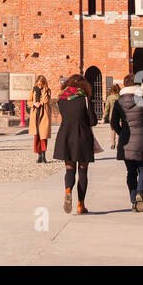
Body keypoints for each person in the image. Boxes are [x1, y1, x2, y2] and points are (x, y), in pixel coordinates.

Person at [111, 75, 143, 211]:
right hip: (141, 140)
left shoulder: (118, 102)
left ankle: (134, 201)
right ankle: (140, 193)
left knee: (131, 172)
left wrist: (122, 133)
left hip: (125, 142)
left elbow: (113, 123)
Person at [53, 75, 97, 214]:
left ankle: (67, 190)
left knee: (69, 169)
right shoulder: (84, 99)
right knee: (83, 171)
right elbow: (93, 121)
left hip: (65, 136)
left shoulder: (61, 99)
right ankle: (80, 205)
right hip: (82, 136)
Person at [29, 75, 53, 164]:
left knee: (44, 136)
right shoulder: (33, 90)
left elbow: (46, 101)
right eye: (38, 84)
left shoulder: (47, 90)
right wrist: (34, 104)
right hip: (35, 114)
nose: (40, 86)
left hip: (44, 115)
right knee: (37, 136)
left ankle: (44, 156)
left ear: (44, 84)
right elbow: (29, 101)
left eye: (41, 84)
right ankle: (39, 155)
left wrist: (44, 91)